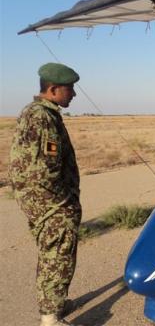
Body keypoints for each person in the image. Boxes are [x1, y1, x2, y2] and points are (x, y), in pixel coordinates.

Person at [9, 63, 82, 326]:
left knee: (51, 254)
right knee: (57, 257)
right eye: (70, 89)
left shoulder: (35, 112)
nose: (73, 94)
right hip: (52, 205)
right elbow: (44, 171)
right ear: (53, 89)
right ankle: (50, 317)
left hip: (41, 203)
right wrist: (64, 204)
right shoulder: (42, 117)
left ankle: (55, 302)